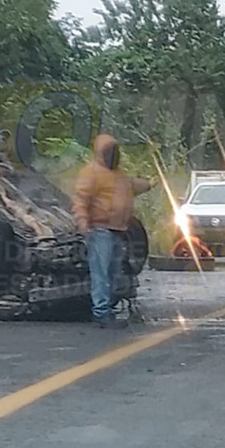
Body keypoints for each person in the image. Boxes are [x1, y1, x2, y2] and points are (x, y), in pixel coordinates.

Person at [72, 133, 151, 328]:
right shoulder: (91, 173)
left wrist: (150, 183)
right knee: (101, 273)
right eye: (110, 151)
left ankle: (108, 310)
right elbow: (81, 199)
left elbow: (131, 187)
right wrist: (82, 221)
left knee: (113, 273)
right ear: (101, 152)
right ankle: (101, 312)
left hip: (118, 231)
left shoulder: (119, 175)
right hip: (100, 230)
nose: (114, 155)